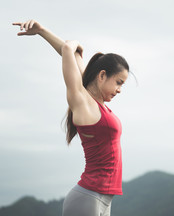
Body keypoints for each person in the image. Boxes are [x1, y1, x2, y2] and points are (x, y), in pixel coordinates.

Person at [13, 20, 129, 216]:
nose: (119, 90)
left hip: (103, 199)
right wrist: (72, 44)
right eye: (118, 82)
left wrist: (42, 31)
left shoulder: (94, 102)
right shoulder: (83, 102)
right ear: (102, 75)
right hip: (88, 197)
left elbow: (73, 55)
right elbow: (68, 49)